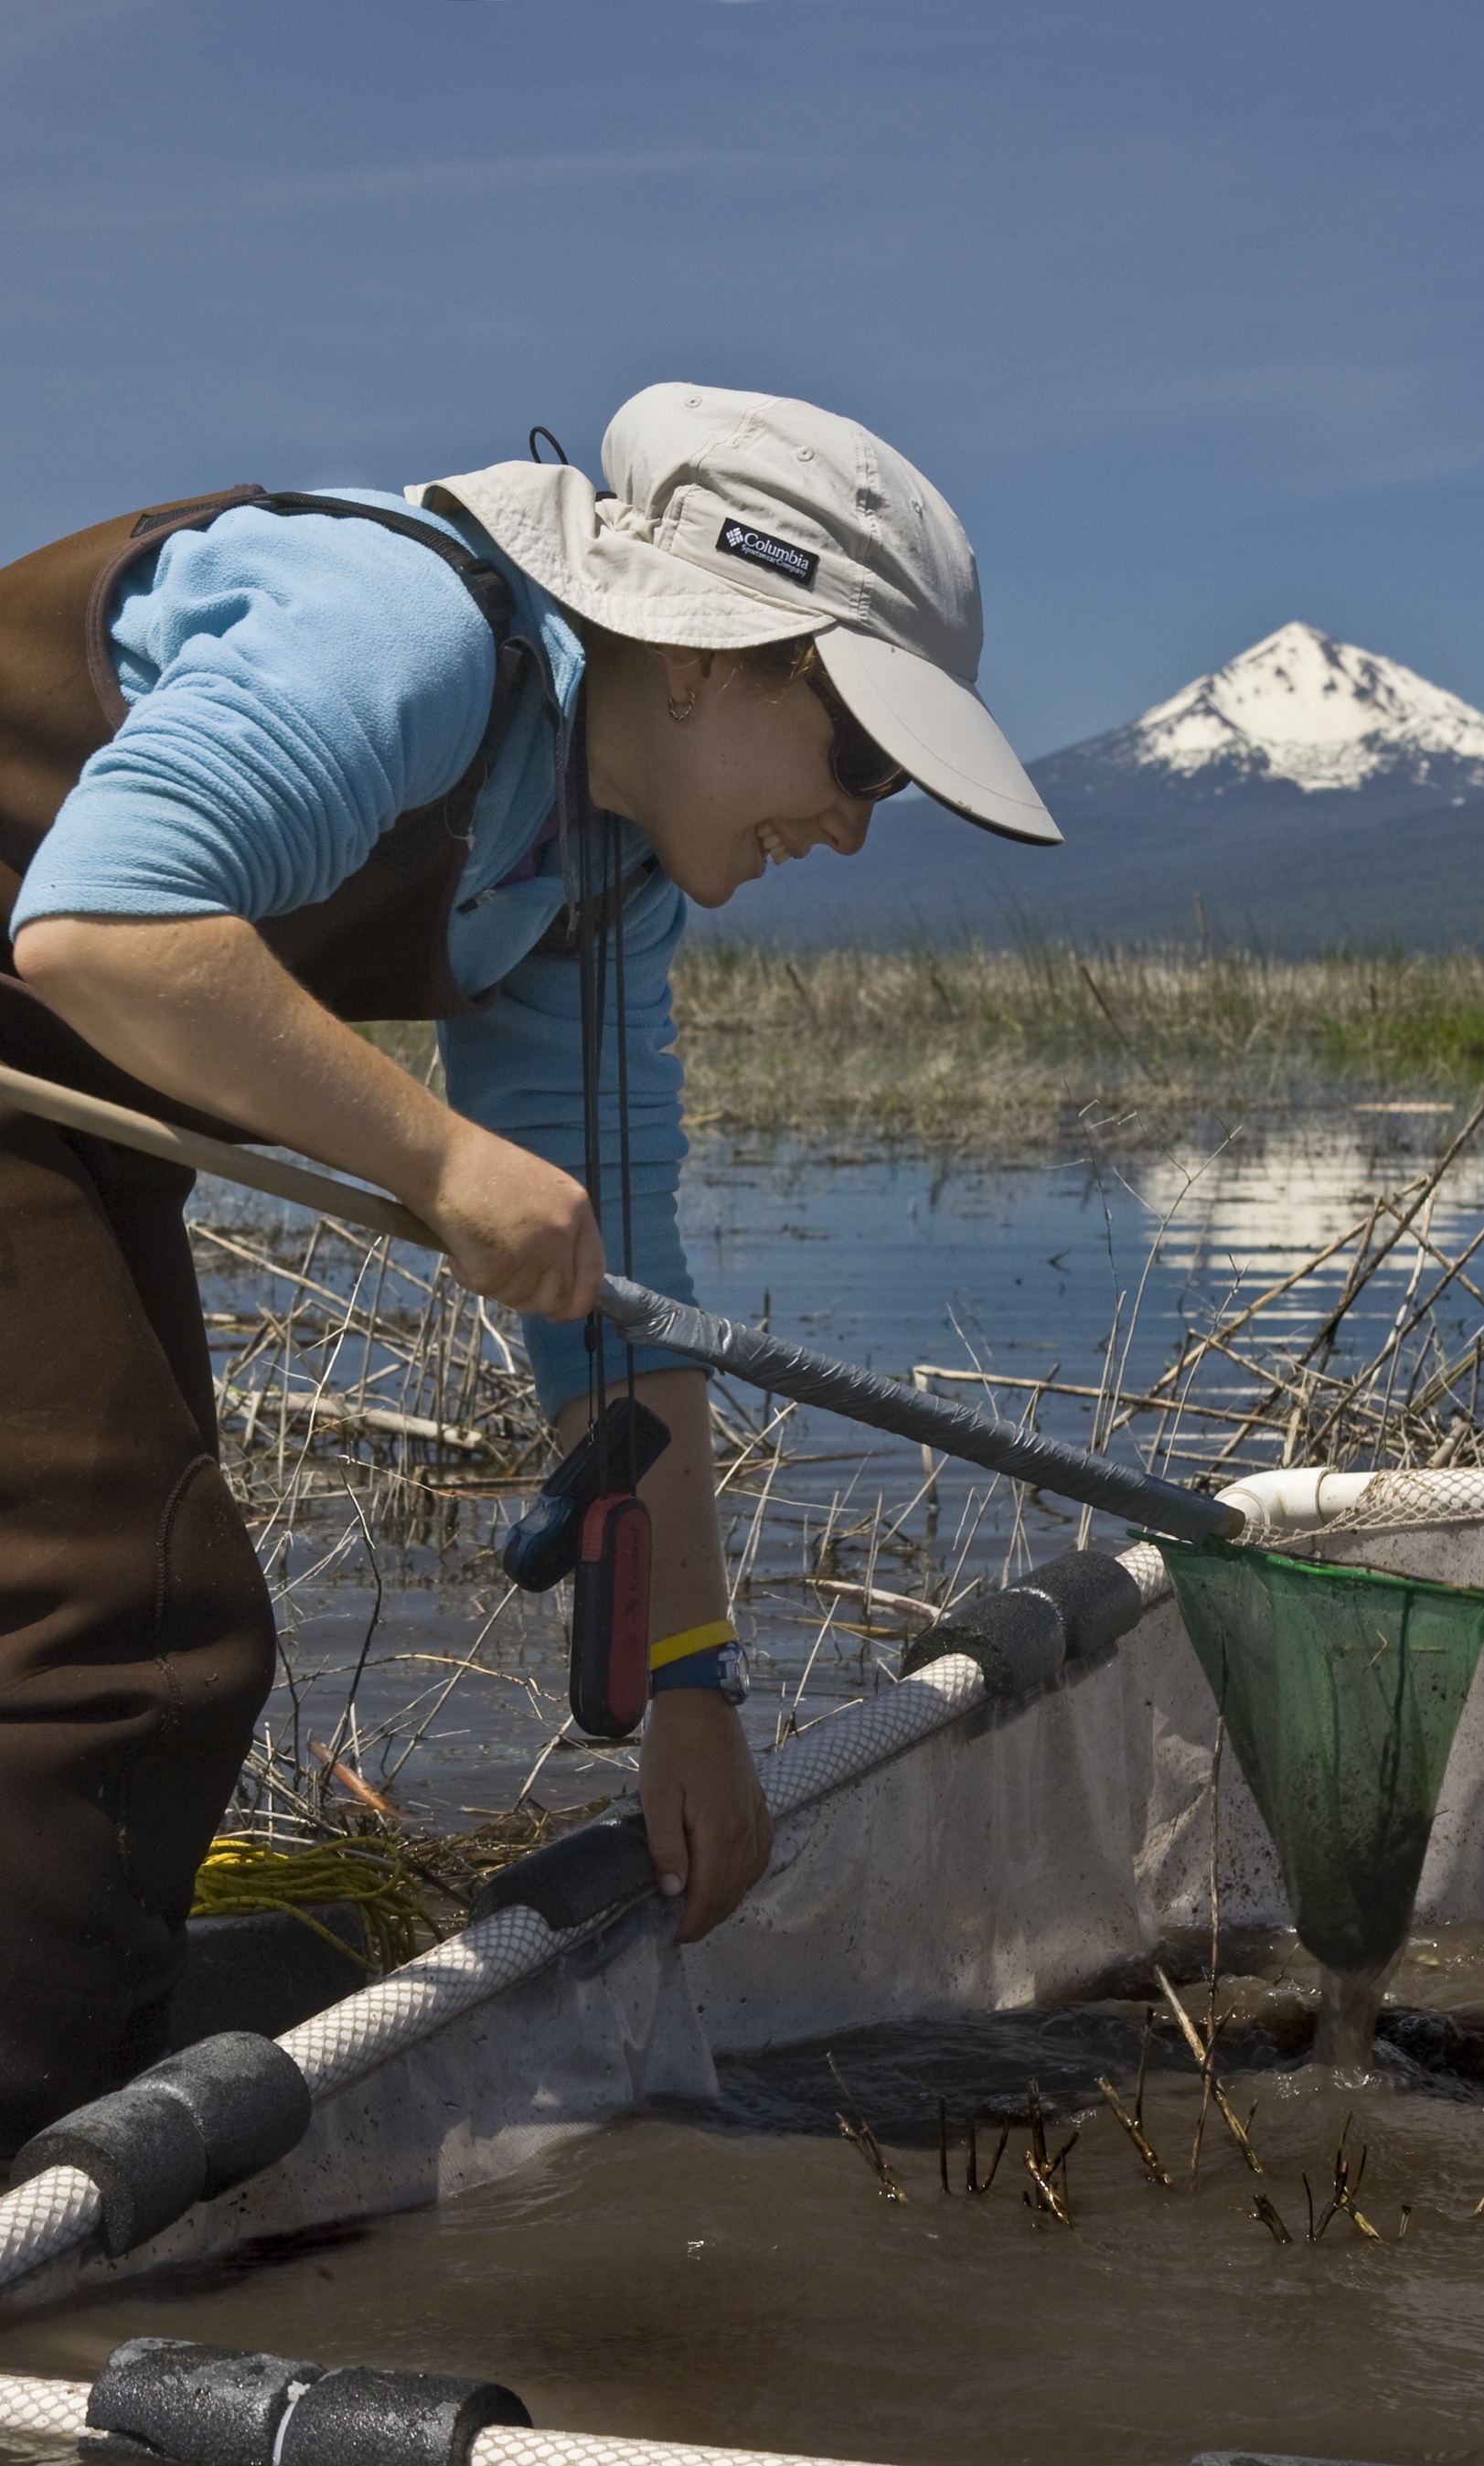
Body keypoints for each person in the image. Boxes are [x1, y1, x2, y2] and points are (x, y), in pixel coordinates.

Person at [0, 382, 1061, 2152]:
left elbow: (620, 1294)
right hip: (55, 1030)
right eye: (861, 752)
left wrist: (698, 1687)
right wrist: (437, 1155)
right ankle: (51, 2209)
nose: (861, 822)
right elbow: (113, 931)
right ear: (707, 650)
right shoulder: (395, 626)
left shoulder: (598, 868)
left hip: (68, 1090)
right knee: (131, 1625)